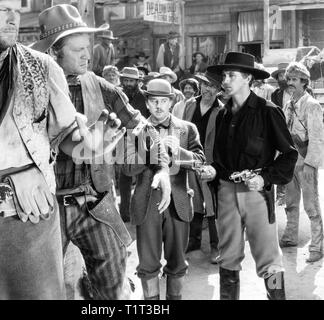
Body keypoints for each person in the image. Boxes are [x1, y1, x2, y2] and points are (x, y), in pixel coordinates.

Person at [0, 0, 123, 300]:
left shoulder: (40, 68)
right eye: (4, 10)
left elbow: (69, 138)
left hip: (22, 217)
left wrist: (92, 145)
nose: (13, 19)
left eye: (17, 11)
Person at [32, 4, 171, 300]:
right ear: (54, 53)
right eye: (77, 50)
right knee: (48, 289)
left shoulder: (101, 87)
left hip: (95, 203)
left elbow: (145, 129)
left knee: (114, 283)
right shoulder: (33, 91)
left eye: (88, 47)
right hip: (46, 209)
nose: (88, 55)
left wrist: (161, 169)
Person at [202, 52, 298, 300]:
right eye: (224, 75)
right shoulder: (222, 115)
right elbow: (219, 158)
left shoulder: (268, 111)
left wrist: (264, 178)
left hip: (256, 193)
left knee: (270, 260)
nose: (225, 80)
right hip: (225, 192)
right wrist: (213, 171)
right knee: (228, 257)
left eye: (231, 75)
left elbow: (289, 155)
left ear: (247, 78)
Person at [124, 78, 205, 300]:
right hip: (147, 204)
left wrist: (178, 151)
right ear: (147, 103)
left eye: (163, 101)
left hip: (178, 204)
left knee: (178, 262)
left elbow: (200, 161)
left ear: (171, 102)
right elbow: (127, 169)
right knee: (148, 264)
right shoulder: (135, 131)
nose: (158, 106)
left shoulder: (187, 129)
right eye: (153, 101)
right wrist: (154, 150)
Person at [173, 71, 223, 264]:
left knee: (212, 205)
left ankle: (216, 246)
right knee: (192, 200)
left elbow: (221, 141)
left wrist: (214, 166)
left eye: (213, 87)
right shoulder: (190, 104)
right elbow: (182, 131)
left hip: (209, 163)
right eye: (206, 85)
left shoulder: (222, 110)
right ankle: (193, 240)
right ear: (200, 85)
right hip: (190, 159)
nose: (208, 90)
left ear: (219, 90)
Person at [279, 62, 324, 263]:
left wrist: (310, 164)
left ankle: (317, 246)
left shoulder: (312, 105)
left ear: (304, 82)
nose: (290, 83)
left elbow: (317, 137)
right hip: (290, 163)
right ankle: (290, 237)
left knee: (311, 206)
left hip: (306, 161)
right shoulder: (288, 105)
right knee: (290, 203)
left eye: (294, 79)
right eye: (288, 79)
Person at [117, 67, 149, 222]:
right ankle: (124, 212)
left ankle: (141, 210)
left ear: (138, 82)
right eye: (126, 80)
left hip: (142, 139)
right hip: (123, 139)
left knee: (143, 175)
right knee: (124, 177)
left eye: (131, 81)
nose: (128, 83)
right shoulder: (118, 96)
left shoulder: (145, 97)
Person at [270, 62, 291, 206]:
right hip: (280, 130)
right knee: (279, 162)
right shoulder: (275, 94)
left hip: (296, 132)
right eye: (279, 76)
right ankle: (281, 194)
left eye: (284, 75)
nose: (281, 78)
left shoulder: (303, 90)